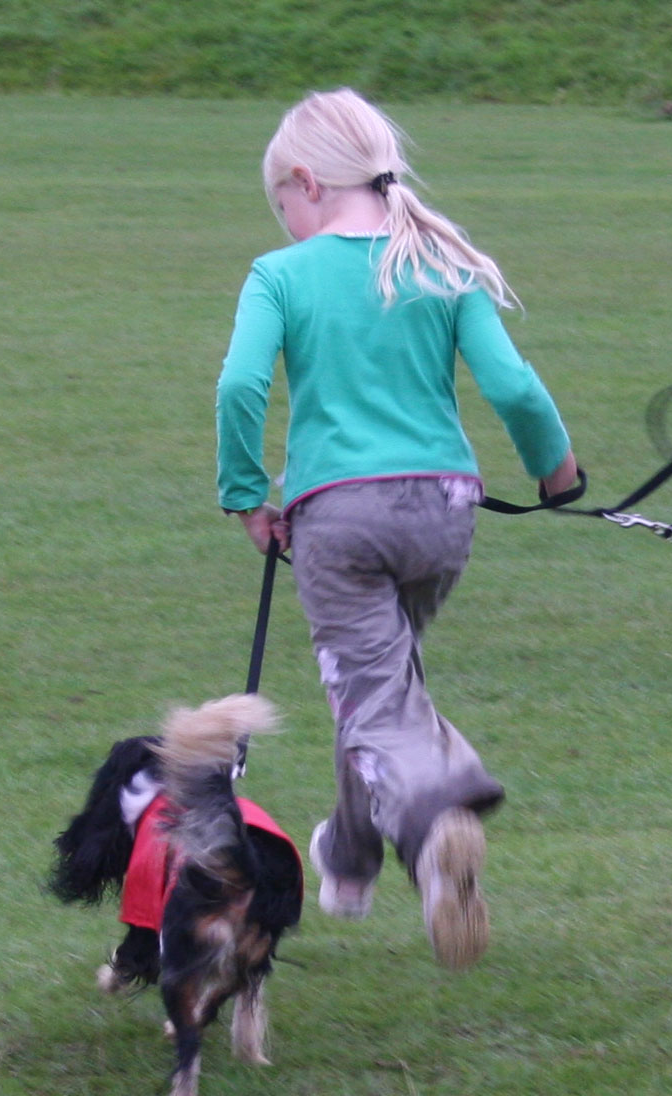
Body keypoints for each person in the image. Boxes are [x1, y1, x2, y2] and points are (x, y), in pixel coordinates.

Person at [216, 88, 576, 971]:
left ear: (306, 181)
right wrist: (557, 470)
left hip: (340, 519)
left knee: (374, 699)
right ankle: (348, 851)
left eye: (283, 207)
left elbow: (238, 388)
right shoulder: (441, 261)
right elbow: (516, 389)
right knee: (375, 690)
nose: (286, 224)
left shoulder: (282, 274)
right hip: (444, 515)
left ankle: (435, 822)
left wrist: (244, 491)